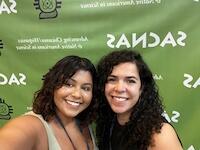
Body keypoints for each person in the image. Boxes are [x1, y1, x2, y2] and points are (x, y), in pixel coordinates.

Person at [0, 55, 98, 150]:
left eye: (86, 88)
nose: (77, 94)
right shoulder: (33, 125)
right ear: (53, 85)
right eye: (69, 84)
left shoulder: (85, 124)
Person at [96, 50, 183, 150]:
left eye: (130, 81)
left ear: (142, 88)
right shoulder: (109, 122)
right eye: (112, 79)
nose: (119, 88)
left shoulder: (160, 134)